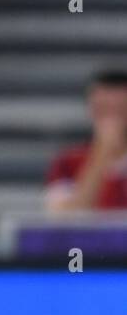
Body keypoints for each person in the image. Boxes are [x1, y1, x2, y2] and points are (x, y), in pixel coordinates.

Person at [45, 70, 127, 212]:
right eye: (104, 110)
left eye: (120, 110)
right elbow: (65, 218)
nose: (113, 120)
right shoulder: (67, 162)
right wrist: (102, 154)